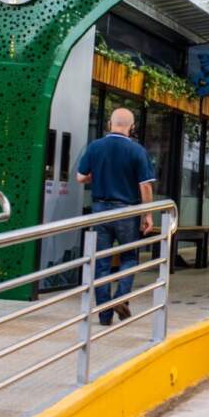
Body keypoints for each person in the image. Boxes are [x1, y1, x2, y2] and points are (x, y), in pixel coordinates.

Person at [77, 108, 155, 326]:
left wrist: (98, 175)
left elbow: (80, 177)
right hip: (126, 212)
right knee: (129, 257)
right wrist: (147, 214)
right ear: (131, 127)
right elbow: (145, 186)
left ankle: (104, 315)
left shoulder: (95, 147)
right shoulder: (137, 151)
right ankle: (120, 297)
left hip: (100, 210)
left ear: (110, 123)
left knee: (101, 261)